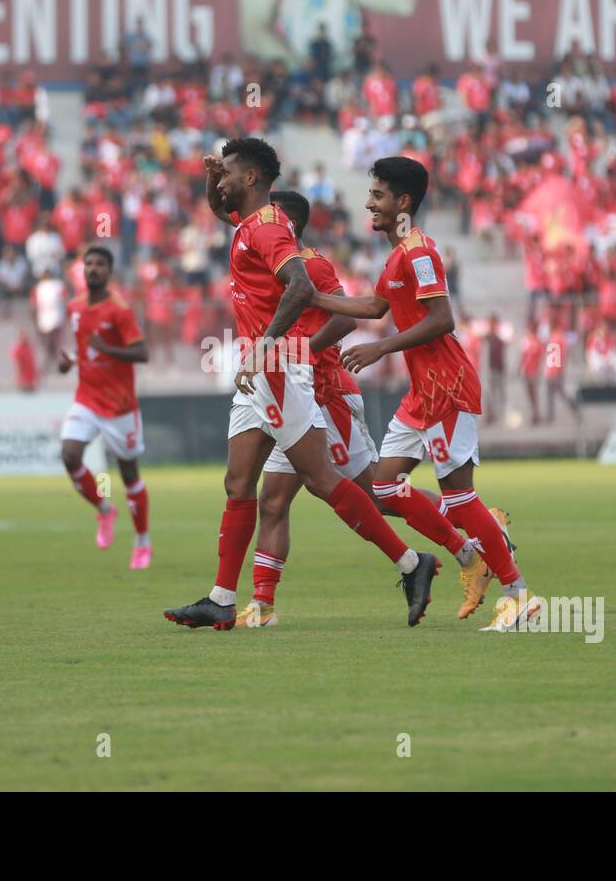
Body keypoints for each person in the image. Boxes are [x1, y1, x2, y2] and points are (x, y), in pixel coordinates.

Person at [163, 139, 439, 631]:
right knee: (239, 483)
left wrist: (269, 344)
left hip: (279, 366)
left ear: (250, 178)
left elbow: (300, 287)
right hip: (261, 371)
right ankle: (223, 598)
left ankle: (413, 564)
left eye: (226, 172)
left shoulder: (268, 228)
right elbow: (216, 204)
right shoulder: (249, 223)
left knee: (323, 482)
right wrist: (209, 175)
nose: (220, 181)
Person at [234, 191, 494, 628]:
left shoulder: (309, 265)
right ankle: (262, 605)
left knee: (378, 492)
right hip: (292, 397)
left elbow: (347, 320)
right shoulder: (265, 264)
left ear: (285, 222)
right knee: (273, 499)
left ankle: (474, 540)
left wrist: (302, 352)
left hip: (327, 395)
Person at [310, 157, 539, 631]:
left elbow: (442, 319)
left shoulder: (419, 252)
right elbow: (374, 306)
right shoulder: (395, 255)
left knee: (458, 498)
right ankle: (471, 551)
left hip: (448, 386)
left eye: (377, 195)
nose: (369, 203)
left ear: (403, 202)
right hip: (422, 394)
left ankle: (519, 595)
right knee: (384, 485)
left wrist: (382, 348)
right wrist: (310, 297)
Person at [57, 247, 153, 570]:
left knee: (129, 475)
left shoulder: (120, 310)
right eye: (89, 264)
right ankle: (103, 510)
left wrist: (107, 349)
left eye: (99, 264)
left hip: (119, 405)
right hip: (86, 397)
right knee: (69, 455)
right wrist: (69, 360)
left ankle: (142, 541)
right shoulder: (75, 307)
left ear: (109, 272)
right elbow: (83, 347)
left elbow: (142, 354)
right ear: (82, 270)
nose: (93, 269)